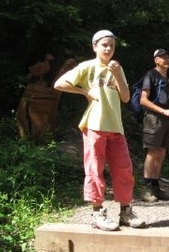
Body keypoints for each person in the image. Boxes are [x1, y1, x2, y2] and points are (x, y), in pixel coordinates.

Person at [54, 29, 146, 231]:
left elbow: (125, 97)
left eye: (112, 45)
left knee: (124, 169)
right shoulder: (87, 66)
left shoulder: (117, 68)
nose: (108, 48)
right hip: (94, 124)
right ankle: (97, 212)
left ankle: (125, 212)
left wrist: (116, 73)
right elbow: (59, 83)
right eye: (104, 45)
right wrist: (84, 92)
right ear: (95, 46)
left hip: (116, 126)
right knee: (95, 169)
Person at [138, 48, 169, 202]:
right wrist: (163, 111)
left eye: (168, 56)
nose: (167, 59)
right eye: (163, 57)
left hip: (168, 119)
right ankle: (146, 189)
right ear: (156, 60)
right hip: (154, 118)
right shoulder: (151, 75)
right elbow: (143, 100)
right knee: (152, 152)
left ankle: (156, 187)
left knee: (161, 153)